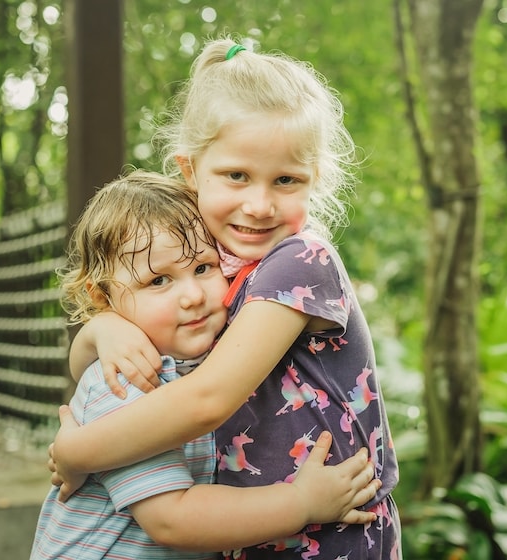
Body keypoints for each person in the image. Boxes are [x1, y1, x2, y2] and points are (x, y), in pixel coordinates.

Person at [51, 38, 402, 559]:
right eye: (236, 175)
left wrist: (75, 450)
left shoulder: (301, 260)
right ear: (191, 171)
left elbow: (206, 401)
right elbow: (88, 364)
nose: (258, 205)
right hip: (245, 536)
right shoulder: (198, 262)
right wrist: (105, 329)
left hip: (331, 534)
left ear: (315, 181)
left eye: (286, 180)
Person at [31, 170, 380, 560]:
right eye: (159, 281)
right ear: (103, 297)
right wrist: (300, 503)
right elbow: (172, 520)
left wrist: (100, 327)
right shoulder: (126, 381)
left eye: (202, 268)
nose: (193, 296)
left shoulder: (208, 356)